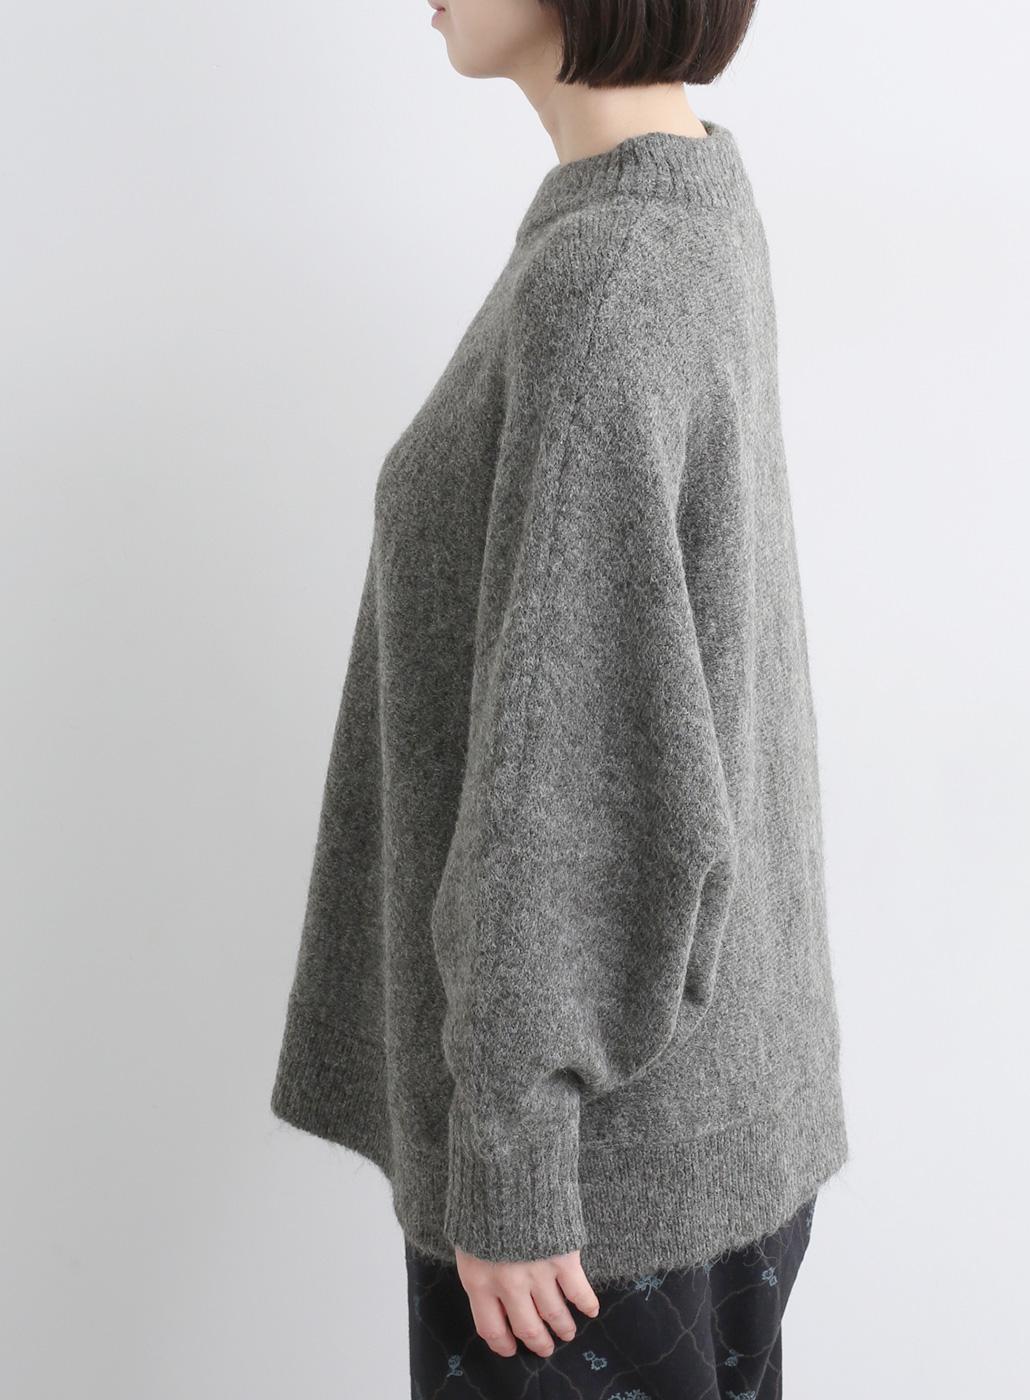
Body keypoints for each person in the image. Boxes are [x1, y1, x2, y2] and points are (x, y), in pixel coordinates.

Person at [270, 2, 850, 1395]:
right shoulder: (690, 205)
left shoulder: (604, 278)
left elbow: (576, 751)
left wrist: (516, 1149)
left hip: (592, 1197)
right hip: (711, 1108)